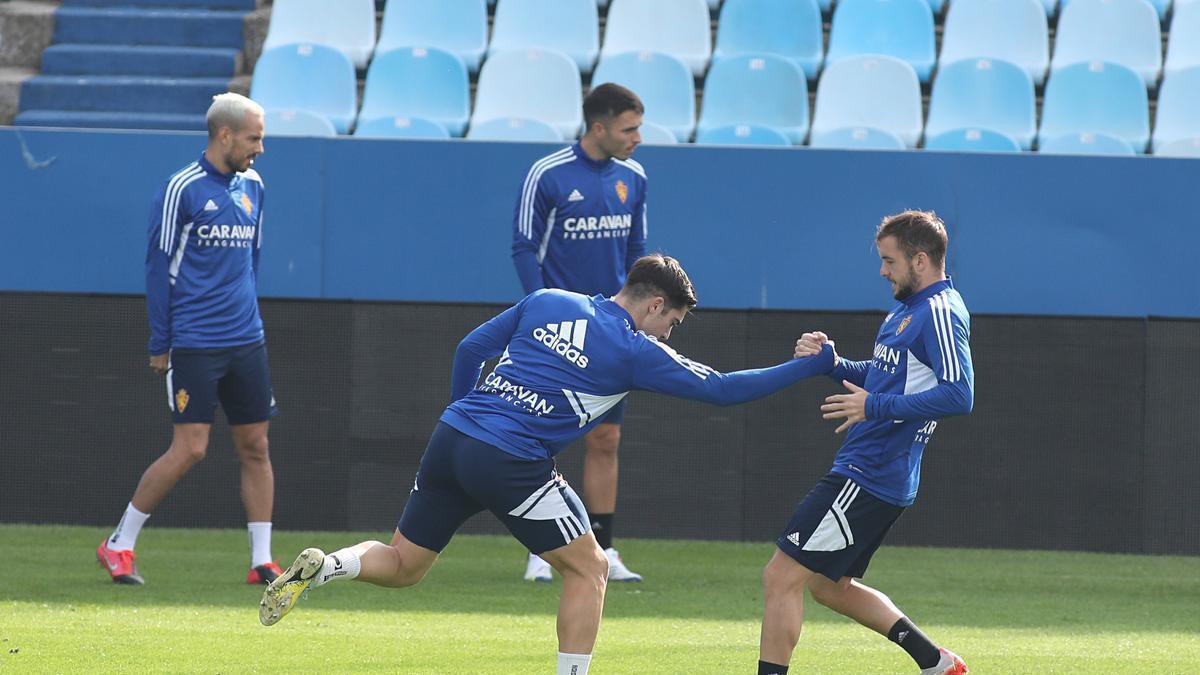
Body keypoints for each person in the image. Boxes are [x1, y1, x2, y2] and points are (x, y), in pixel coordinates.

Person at [260, 254, 836, 675]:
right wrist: (807, 369)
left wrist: (465, 410)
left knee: (405, 563)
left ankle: (329, 564)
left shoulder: (548, 300)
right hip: (511, 459)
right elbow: (722, 389)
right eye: (673, 322)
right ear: (656, 304)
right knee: (590, 568)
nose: (670, 332)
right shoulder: (636, 348)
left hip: (454, 435)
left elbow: (469, 350)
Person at [757, 211, 974, 675]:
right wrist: (832, 362)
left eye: (889, 260)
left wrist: (873, 407)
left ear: (920, 259)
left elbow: (960, 394)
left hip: (872, 469)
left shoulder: (939, 311)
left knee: (780, 576)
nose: (882, 270)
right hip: (874, 469)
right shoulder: (907, 310)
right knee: (828, 586)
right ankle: (936, 663)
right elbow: (884, 380)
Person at [95, 92, 282, 586]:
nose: (260, 148)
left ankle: (261, 560)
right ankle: (119, 543)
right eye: (254, 137)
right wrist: (162, 342)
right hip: (195, 342)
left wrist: (249, 317)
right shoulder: (182, 188)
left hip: (247, 340)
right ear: (225, 135)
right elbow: (158, 269)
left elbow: (252, 262)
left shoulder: (255, 186)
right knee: (191, 448)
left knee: (256, 446)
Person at [511, 82, 649, 583]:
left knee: (606, 439)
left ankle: (604, 550)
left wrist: (637, 318)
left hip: (613, 331)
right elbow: (524, 247)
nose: (637, 137)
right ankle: (540, 548)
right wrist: (540, 310)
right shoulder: (547, 174)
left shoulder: (633, 177)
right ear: (599, 127)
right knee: (541, 438)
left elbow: (638, 253)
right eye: (629, 128)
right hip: (558, 330)